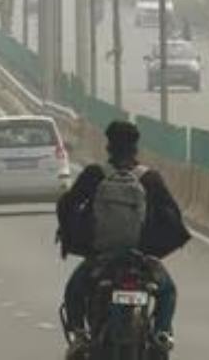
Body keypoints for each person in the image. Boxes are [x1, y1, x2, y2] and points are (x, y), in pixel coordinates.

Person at [58, 121, 190, 356]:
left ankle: (79, 335)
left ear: (108, 147)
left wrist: (71, 236)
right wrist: (154, 250)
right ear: (135, 148)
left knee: (74, 288)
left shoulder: (95, 174)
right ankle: (161, 334)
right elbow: (172, 218)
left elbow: (67, 206)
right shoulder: (150, 179)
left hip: (102, 260)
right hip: (141, 262)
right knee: (167, 291)